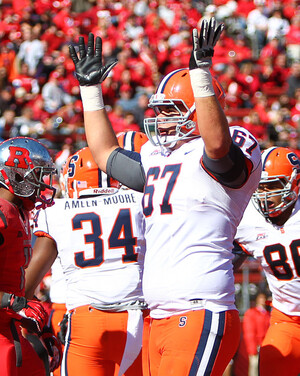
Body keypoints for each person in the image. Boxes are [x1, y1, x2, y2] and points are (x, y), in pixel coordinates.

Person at [69, 17, 262, 376]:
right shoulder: (160, 157)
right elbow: (104, 154)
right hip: (157, 314)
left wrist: (201, 75)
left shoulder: (229, 146)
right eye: (158, 111)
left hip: (201, 308)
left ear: (197, 108)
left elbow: (218, 146)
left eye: (170, 111)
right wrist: (90, 90)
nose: (160, 119)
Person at [25, 142, 148, 376]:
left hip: (87, 318)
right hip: (141, 317)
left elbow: (27, 283)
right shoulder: (139, 202)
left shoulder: (57, 212)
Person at [234, 146, 300, 376]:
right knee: (272, 363)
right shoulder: (247, 218)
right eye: (260, 187)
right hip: (287, 319)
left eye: (272, 186)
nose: (265, 194)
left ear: (295, 183)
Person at [0, 136, 57, 375]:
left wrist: (41, 329)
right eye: (36, 175)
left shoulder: (19, 211)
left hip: (9, 326)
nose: (43, 184)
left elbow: (18, 280)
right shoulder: (2, 213)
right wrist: (15, 303)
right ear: (15, 175)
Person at [242, 292, 270, 376]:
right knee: (254, 368)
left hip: (266, 345)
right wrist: (252, 348)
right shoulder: (251, 313)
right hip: (257, 345)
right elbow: (249, 331)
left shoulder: (268, 314)